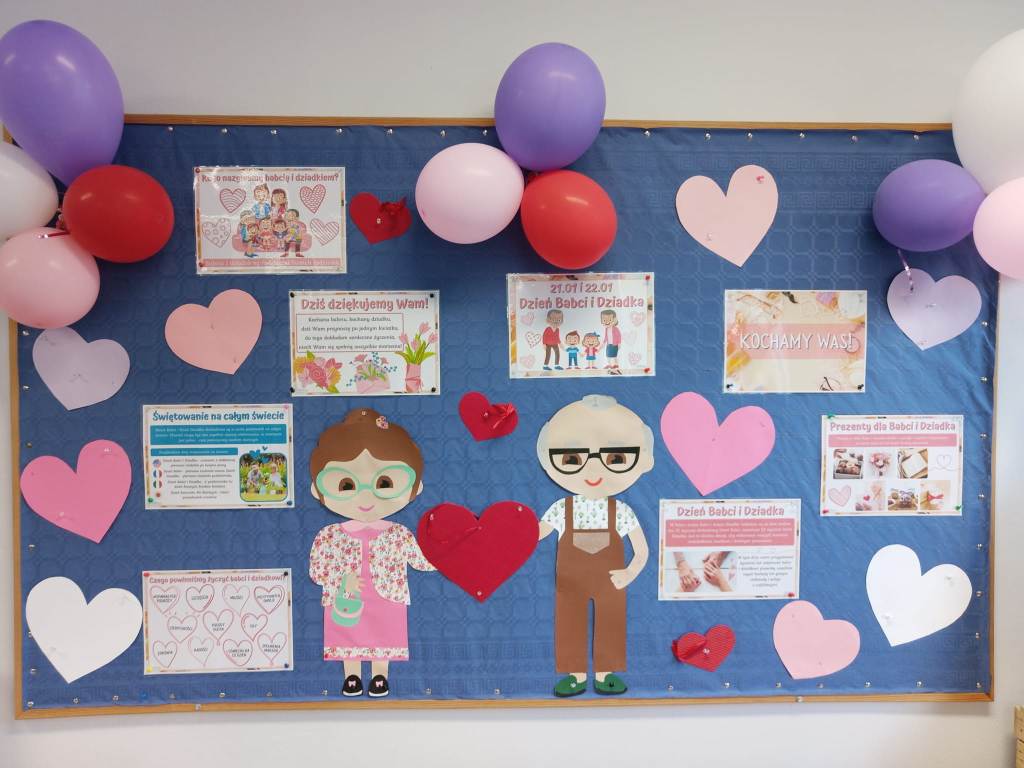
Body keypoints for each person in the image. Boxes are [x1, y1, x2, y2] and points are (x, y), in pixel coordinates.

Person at [308, 409, 436, 699]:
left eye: (385, 483)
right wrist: (343, 582)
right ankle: (351, 676)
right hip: (345, 598)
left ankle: (380, 676)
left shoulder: (398, 533)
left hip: (388, 596)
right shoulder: (329, 535)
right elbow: (316, 570)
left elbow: (420, 560)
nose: (366, 497)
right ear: (318, 489)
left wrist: (453, 555)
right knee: (347, 633)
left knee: (385, 635)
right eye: (346, 485)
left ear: (414, 487)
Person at [536, 395, 654, 697]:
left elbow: (642, 549)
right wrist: (506, 530)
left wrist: (630, 573)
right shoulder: (562, 508)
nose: (593, 470)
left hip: (611, 580)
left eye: (615, 458)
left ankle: (605, 673)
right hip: (570, 582)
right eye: (572, 459)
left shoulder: (621, 511)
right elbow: (537, 534)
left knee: (611, 621)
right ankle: (575, 674)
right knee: (569, 622)